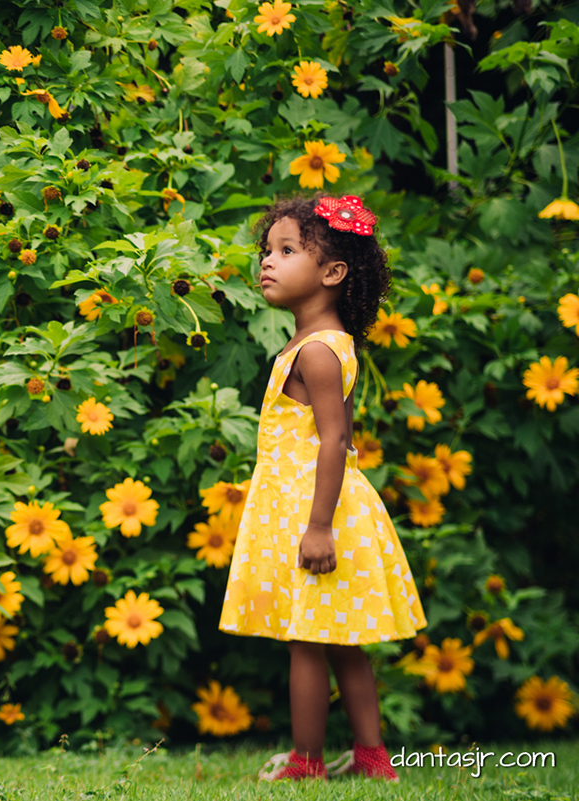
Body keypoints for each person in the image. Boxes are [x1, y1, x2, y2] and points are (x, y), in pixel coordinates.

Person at [218, 194, 426, 781]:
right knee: (338, 641)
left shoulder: (317, 352)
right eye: (267, 250)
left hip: (317, 512)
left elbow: (335, 441)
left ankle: (308, 762)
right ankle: (371, 757)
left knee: (307, 642)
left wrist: (317, 527)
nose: (267, 261)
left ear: (333, 273)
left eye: (287, 251)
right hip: (312, 507)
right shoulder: (317, 344)